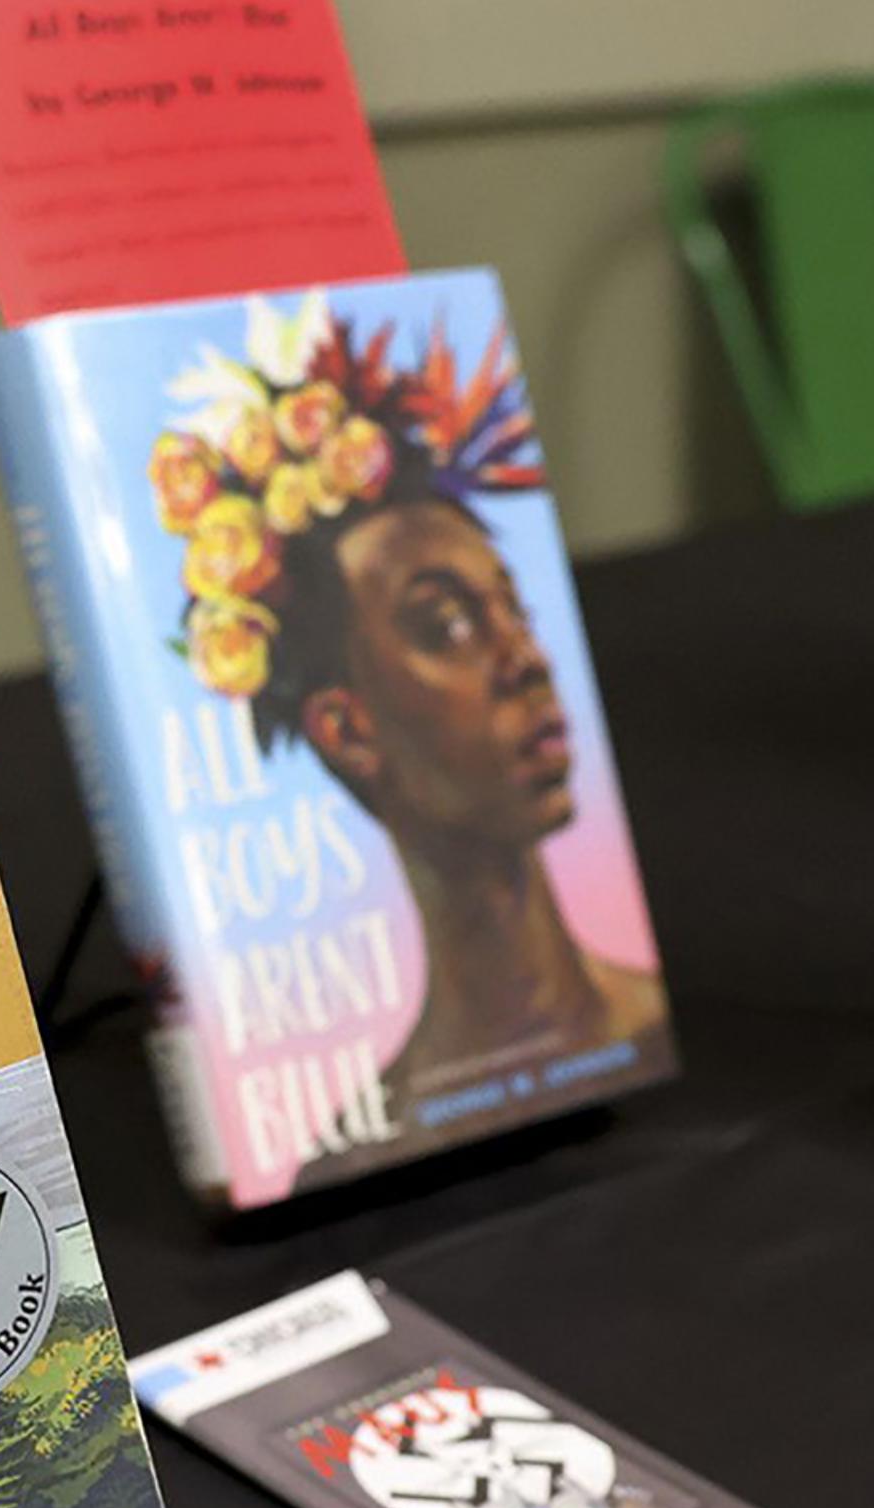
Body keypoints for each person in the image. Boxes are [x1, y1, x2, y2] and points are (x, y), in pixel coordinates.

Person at [156, 306, 668, 1146]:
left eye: (516, 609)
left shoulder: (640, 1027)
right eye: (449, 626)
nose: (527, 660)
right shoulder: (354, 1142)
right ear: (347, 730)